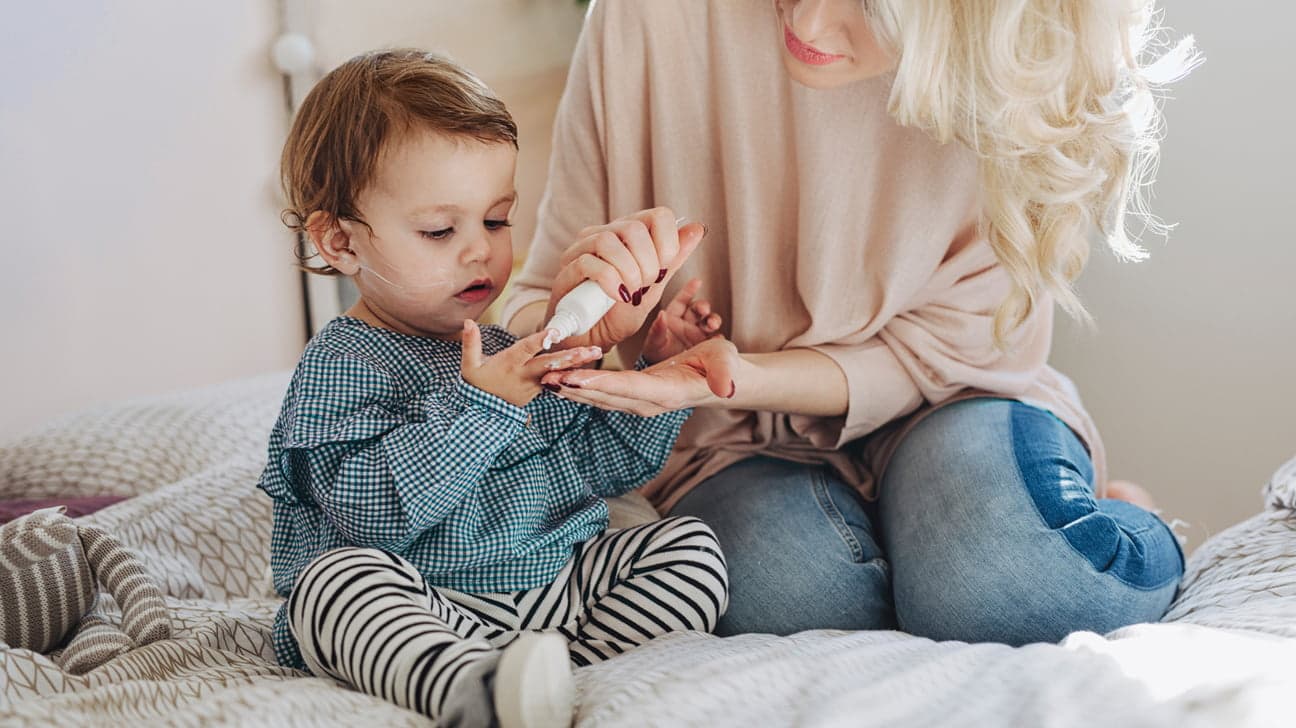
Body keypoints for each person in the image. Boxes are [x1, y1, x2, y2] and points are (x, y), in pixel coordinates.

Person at [504, 0, 1198, 644]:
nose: (807, 22)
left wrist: (742, 373)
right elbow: (532, 304)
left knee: (1015, 590)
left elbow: (948, 350)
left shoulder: (1014, 66)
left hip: (948, 398)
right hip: (723, 439)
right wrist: (587, 328)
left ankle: (1123, 517)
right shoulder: (648, 16)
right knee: (802, 612)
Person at [257, 49, 729, 727]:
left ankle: (552, 681)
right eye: (439, 230)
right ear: (340, 242)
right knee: (332, 589)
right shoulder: (342, 364)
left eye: (497, 220)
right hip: (428, 605)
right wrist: (484, 407)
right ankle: (469, 687)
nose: (480, 249)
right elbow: (371, 512)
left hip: (555, 590)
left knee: (689, 550)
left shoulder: (509, 347)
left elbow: (604, 468)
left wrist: (652, 369)